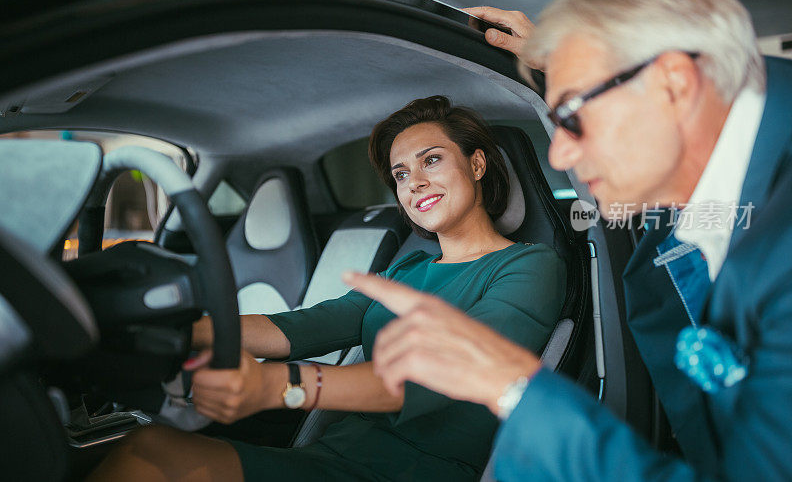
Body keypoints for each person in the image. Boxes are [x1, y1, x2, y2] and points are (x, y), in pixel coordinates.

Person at [349, 0, 792, 481]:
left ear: (674, 83)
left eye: (572, 115)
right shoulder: (700, 203)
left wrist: (513, 384)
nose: (558, 157)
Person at [88, 95, 566, 482]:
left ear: (477, 164)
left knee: (151, 456)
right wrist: (187, 332)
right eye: (401, 174)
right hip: (334, 455)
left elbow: (446, 374)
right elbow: (300, 327)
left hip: (422, 472)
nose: (415, 182)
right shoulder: (409, 271)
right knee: (146, 450)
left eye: (432, 160)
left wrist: (280, 386)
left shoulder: (528, 266)